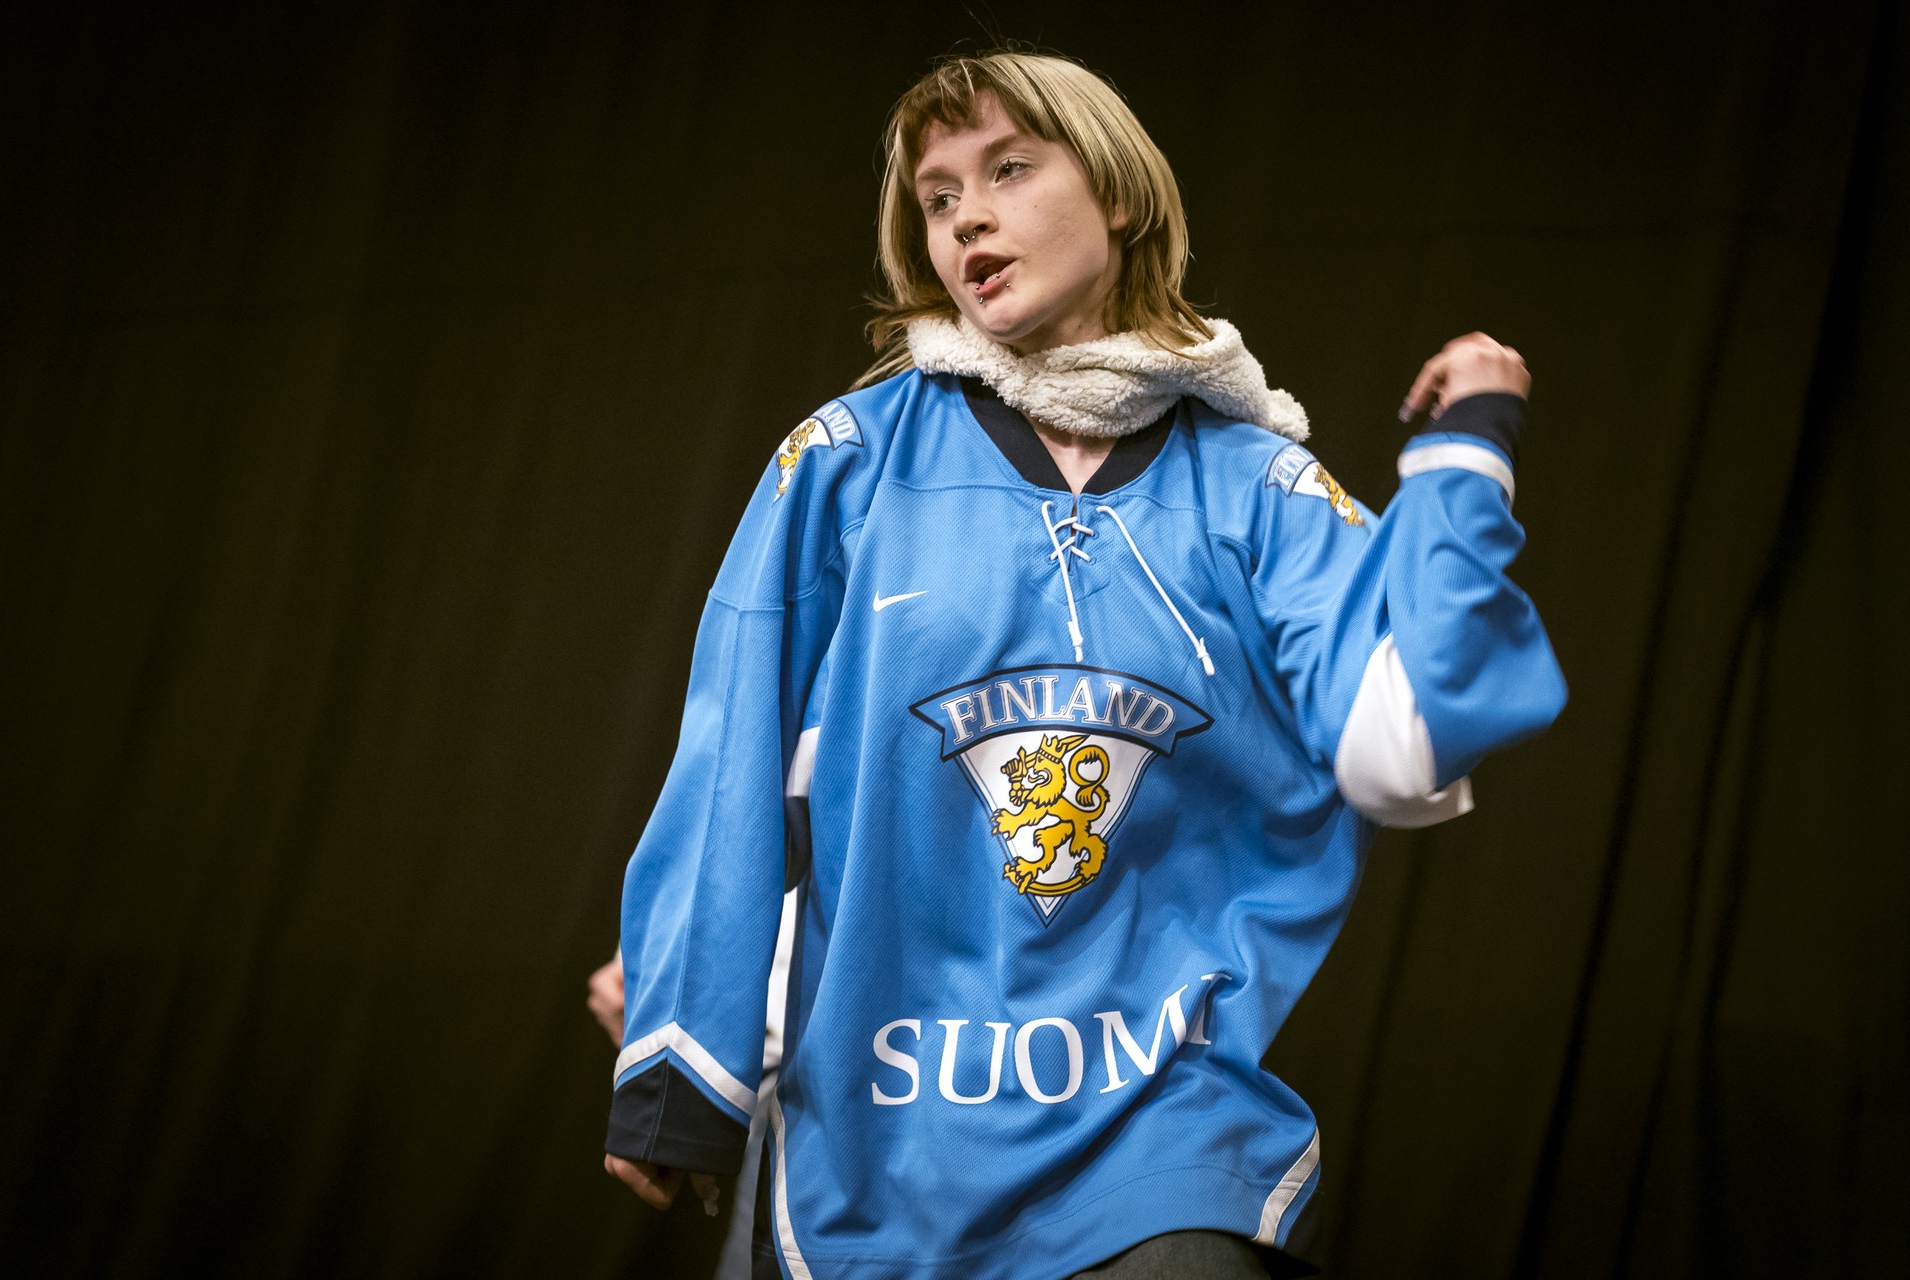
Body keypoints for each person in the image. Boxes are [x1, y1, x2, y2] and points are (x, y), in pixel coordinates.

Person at [602, 50, 1565, 1280]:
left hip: (1158, 1130)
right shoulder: (844, 463)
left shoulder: (1260, 488)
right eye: (939, 197)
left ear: (1117, 190)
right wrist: (685, 1057)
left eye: (1008, 168)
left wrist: (1466, 466)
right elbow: (729, 766)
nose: (968, 217)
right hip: (875, 1138)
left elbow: (1405, 740)